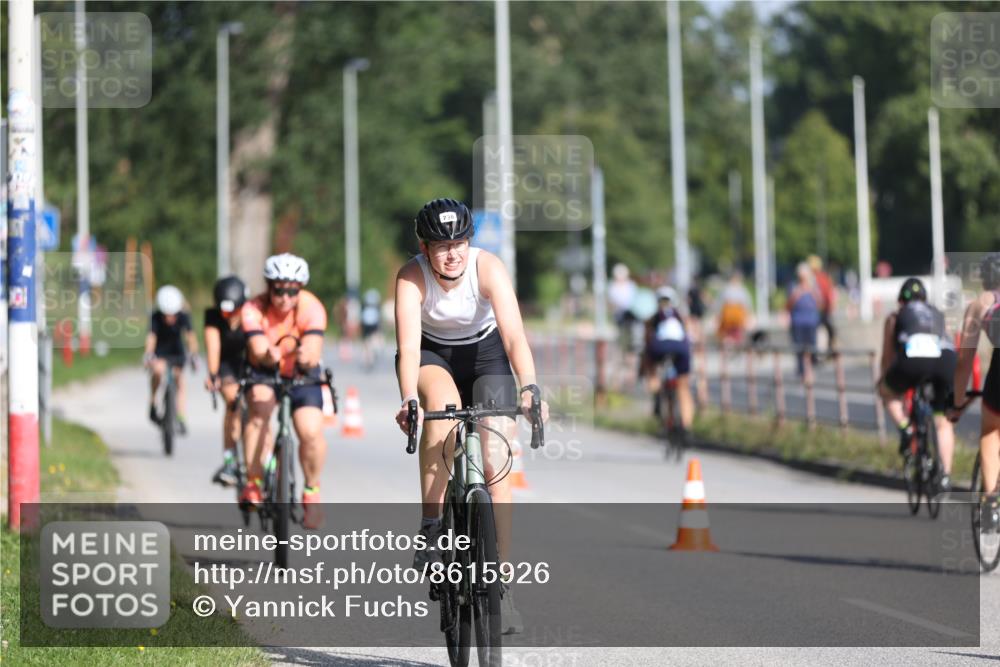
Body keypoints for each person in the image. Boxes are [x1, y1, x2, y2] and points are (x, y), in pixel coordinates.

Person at [393, 198, 547, 635]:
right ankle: (430, 525)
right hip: (431, 354)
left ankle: (500, 582)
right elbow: (406, 348)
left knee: (496, 457)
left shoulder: (488, 267)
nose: (453, 253)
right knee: (440, 413)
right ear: (424, 248)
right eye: (442, 246)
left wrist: (531, 386)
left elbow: (514, 335)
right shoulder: (410, 278)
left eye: (460, 242)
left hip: (486, 354)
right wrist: (409, 399)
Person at [240, 253, 329, 530]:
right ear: (269, 287)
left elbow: (312, 353)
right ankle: (254, 481)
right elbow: (258, 352)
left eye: (292, 290)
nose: (285, 298)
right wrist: (277, 352)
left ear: (300, 289)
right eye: (279, 289)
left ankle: (312, 492)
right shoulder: (253, 308)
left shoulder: (312, 307)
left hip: (301, 372)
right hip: (265, 372)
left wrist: (302, 354)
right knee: (259, 411)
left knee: (310, 431)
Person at [878, 277, 957, 492]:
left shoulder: (896, 316)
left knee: (886, 391)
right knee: (943, 421)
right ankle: (945, 475)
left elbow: (888, 357)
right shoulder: (937, 313)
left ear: (901, 301)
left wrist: (885, 379)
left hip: (913, 361)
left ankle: (906, 429)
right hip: (945, 361)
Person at [953, 253, 1000, 529]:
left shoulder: (980, 304)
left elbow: (964, 363)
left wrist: (957, 403)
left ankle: (991, 503)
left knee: (991, 431)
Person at [204, 275, 250, 487]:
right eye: (224, 312)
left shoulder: (252, 314)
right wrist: (213, 375)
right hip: (226, 365)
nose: (228, 317)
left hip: (250, 362)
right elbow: (213, 347)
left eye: (233, 312)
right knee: (233, 402)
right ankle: (230, 460)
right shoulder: (213, 318)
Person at [144, 285, 198, 434]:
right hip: (160, 352)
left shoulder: (183, 316)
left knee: (180, 381)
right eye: (166, 315)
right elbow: (151, 337)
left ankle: (181, 417)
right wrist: (149, 354)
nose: (170, 318)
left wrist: (193, 353)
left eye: (172, 314)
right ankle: (153, 403)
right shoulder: (155, 317)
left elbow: (190, 337)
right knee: (157, 371)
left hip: (177, 352)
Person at [643, 287, 694, 432]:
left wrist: (647, 366)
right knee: (683, 387)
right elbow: (689, 336)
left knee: (650, 362)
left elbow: (647, 340)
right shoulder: (680, 316)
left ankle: (655, 389)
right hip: (681, 347)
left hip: (660, 346)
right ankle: (686, 426)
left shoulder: (653, 317)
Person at [787, 263, 821, 377]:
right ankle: (801, 370)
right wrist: (797, 294)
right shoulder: (794, 287)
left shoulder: (813, 287)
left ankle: (810, 368)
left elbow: (820, 302)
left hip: (811, 320)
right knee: (799, 347)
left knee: (811, 346)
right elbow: (788, 305)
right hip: (798, 321)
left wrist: (811, 291)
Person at [808, 255, 837, 353]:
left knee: (828, 331)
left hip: (820, 310)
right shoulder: (821, 278)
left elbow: (828, 293)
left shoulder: (819, 278)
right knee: (828, 331)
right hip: (819, 310)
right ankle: (828, 350)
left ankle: (828, 350)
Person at [717, 272, 752, 344]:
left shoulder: (742, 289)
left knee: (737, 330)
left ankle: (736, 342)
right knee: (727, 330)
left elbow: (746, 302)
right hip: (728, 314)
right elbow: (721, 301)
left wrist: (748, 313)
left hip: (738, 315)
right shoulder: (727, 289)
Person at [360, 288, 383, 369]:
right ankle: (374, 350)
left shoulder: (365, 308)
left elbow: (361, 318)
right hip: (374, 323)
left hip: (365, 323)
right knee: (374, 337)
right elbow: (379, 318)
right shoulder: (376, 307)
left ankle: (368, 356)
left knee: (366, 341)